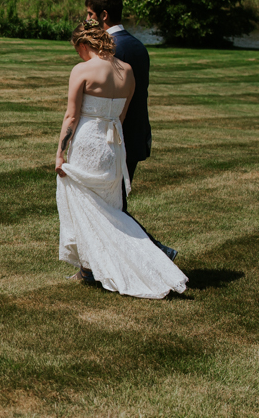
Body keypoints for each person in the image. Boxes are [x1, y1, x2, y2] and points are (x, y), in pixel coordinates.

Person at [55, 20, 187, 298]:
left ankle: (122, 262)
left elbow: (71, 116)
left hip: (89, 140)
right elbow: (122, 116)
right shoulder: (127, 72)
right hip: (114, 145)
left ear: (84, 44)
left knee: (86, 202)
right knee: (109, 206)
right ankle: (90, 269)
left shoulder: (82, 70)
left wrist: (60, 151)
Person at [84, 0, 177, 262]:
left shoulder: (113, 49)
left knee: (112, 208)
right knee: (114, 205)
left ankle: (157, 252)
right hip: (136, 135)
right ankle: (102, 264)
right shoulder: (136, 45)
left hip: (117, 138)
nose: (86, 19)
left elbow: (112, 99)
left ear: (103, 15)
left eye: (90, 14)